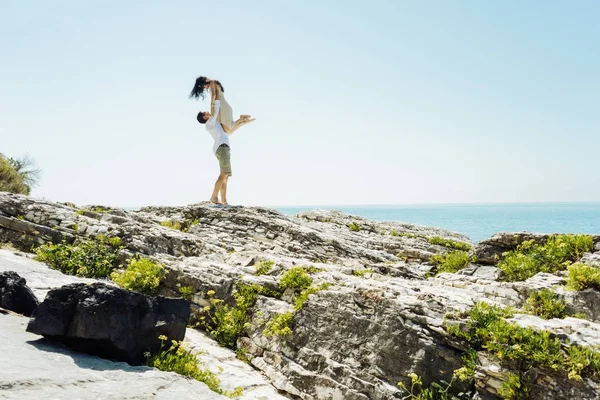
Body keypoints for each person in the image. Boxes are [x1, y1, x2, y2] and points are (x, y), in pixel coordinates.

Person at [197, 99, 255, 205]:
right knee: (224, 174)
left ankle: (224, 201)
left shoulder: (215, 124)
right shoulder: (210, 123)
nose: (207, 111)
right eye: (204, 112)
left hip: (224, 147)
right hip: (222, 147)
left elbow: (228, 130)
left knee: (226, 175)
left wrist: (240, 121)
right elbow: (215, 113)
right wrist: (217, 101)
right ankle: (214, 197)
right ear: (204, 117)